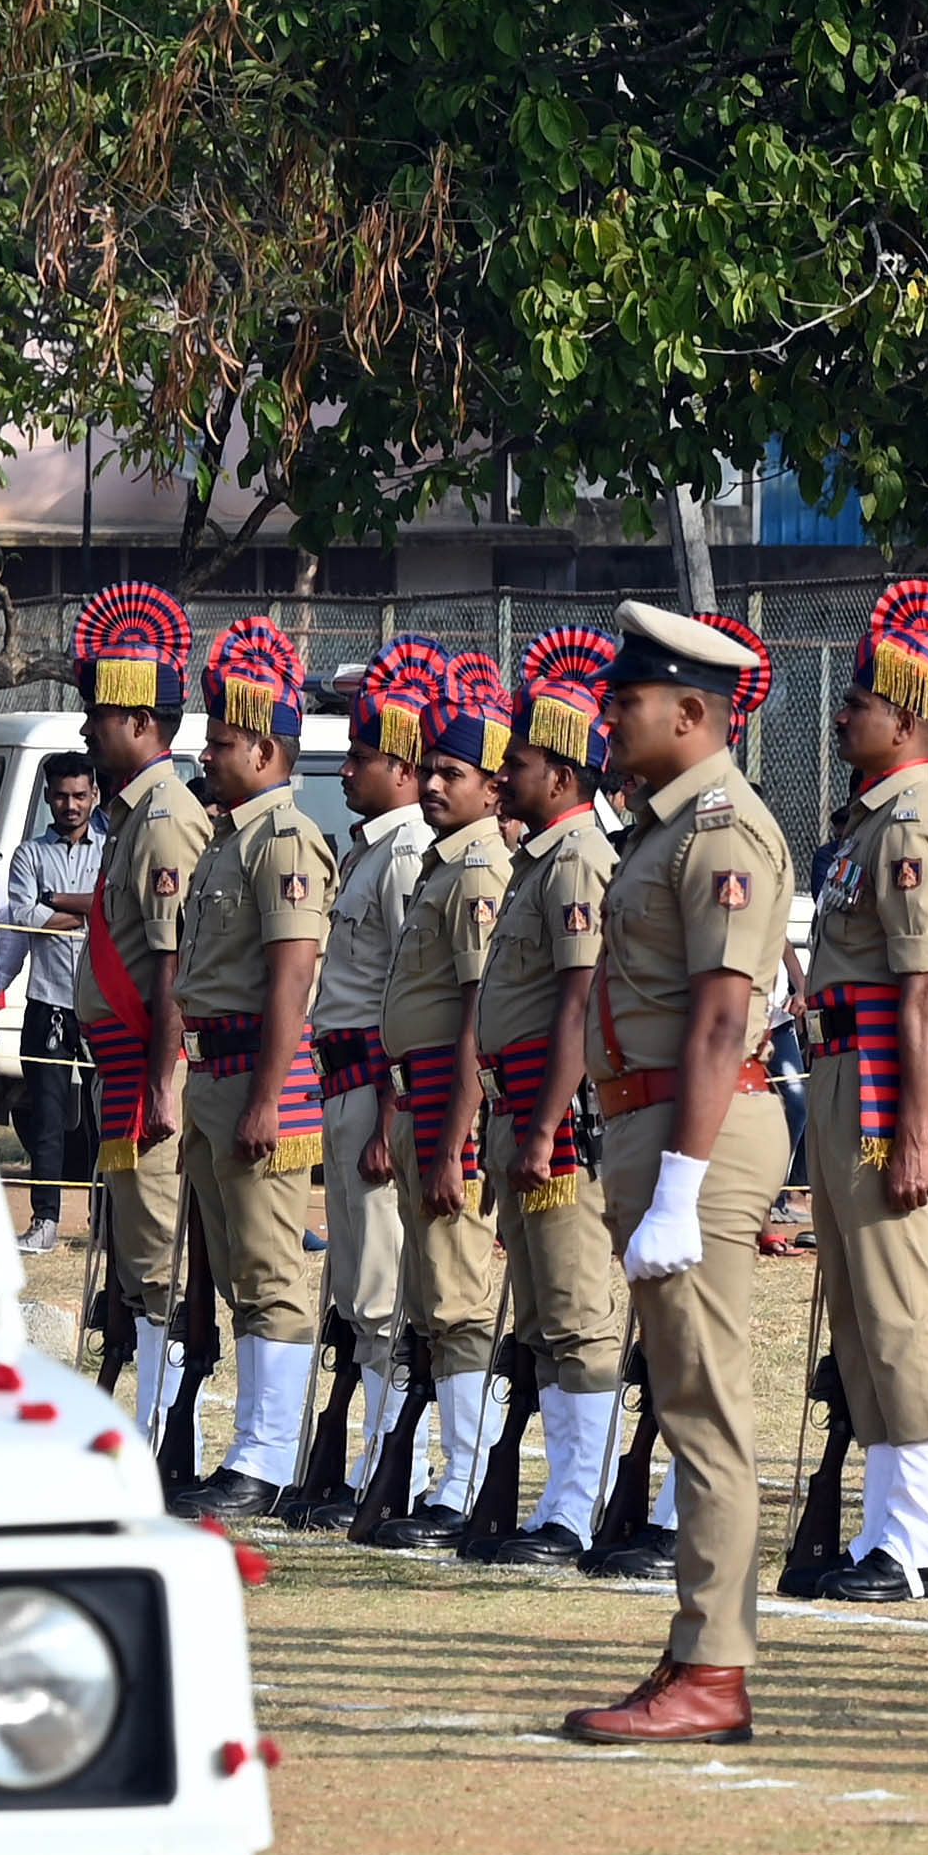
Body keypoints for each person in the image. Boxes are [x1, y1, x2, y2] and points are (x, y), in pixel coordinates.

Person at [557, 604, 800, 1746]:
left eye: (630, 701)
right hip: (658, 1126)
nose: (608, 715)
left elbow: (718, 1021)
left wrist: (678, 1187)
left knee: (703, 1409)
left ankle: (715, 1669)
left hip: (694, 1131)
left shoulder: (720, 828)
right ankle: (695, 1647)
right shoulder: (664, 827)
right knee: (685, 1398)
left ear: (691, 713)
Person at [799, 583, 928, 1597]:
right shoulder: (871, 824)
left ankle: (921, 1540)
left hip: (882, 1080)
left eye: (858, 700)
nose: (841, 712)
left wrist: (914, 1135)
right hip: (843, 1067)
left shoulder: (909, 828)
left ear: (905, 716)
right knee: (861, 1313)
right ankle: (886, 1528)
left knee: (898, 1306)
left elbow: (920, 995)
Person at [465, 630, 629, 1565]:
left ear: (561, 774)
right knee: (539, 1315)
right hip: (520, 1109)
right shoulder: (540, 860)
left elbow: (580, 995)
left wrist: (540, 1123)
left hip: (554, 1118)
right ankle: (558, 1501)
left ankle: (578, 1506)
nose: (507, 773)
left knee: (574, 1312)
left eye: (519, 762)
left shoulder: (574, 862)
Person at [166, 624, 339, 1511]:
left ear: (265, 748)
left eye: (224, 740)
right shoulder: (230, 838)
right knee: (234, 1272)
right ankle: (250, 1446)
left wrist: (269, 1095)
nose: (208, 749)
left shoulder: (285, 841)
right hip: (214, 1074)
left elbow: (291, 977)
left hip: (255, 1077)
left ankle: (268, 1459)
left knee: (270, 1273)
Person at [362, 656, 522, 1549]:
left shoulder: (475, 874)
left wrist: (457, 1136)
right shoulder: (441, 866)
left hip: (450, 1105)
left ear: (492, 788)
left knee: (458, 1299)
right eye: (428, 770)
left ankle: (463, 1480)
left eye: (450, 774)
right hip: (420, 1101)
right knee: (429, 1293)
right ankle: (449, 1472)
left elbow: (472, 1015)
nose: (429, 784)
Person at [303, 644, 447, 1525]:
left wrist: (395, 1109)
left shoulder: (403, 858)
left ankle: (395, 1463)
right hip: (345, 1084)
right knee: (358, 1285)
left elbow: (407, 991)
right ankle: (367, 1465)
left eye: (360, 758)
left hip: (375, 1089)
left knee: (386, 1291)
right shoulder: (369, 851)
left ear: (401, 768)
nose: (347, 769)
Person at [74, 592, 219, 1444]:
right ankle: (157, 1423)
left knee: (160, 1255)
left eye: (100, 714)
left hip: (150, 1073)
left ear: (137, 720)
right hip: (126, 1065)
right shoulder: (134, 819)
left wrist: (164, 1082)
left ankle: (174, 1433)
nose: (89, 729)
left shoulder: (164, 823)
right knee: (137, 1253)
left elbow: (172, 965)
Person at [0, 752, 114, 1243]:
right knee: (46, 1117)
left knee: (103, 1116)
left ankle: (106, 1222)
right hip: (47, 1002)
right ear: (48, 796)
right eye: (62, 795)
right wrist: (83, 910)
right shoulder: (28, 855)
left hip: (101, 1002)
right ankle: (44, 1220)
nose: (71, 805)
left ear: (95, 796)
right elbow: (24, 918)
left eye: (80, 795)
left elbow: (111, 908)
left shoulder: (111, 851)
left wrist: (57, 902)